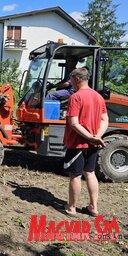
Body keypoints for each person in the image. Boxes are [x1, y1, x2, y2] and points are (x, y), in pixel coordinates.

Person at [63, 68, 109, 217]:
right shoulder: (98, 97)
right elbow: (105, 120)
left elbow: (74, 123)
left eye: (71, 80)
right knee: (90, 173)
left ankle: (71, 208)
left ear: (77, 79)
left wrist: (89, 137)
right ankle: (93, 208)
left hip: (77, 143)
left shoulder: (76, 97)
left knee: (75, 176)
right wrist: (97, 136)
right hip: (94, 142)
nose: (71, 84)